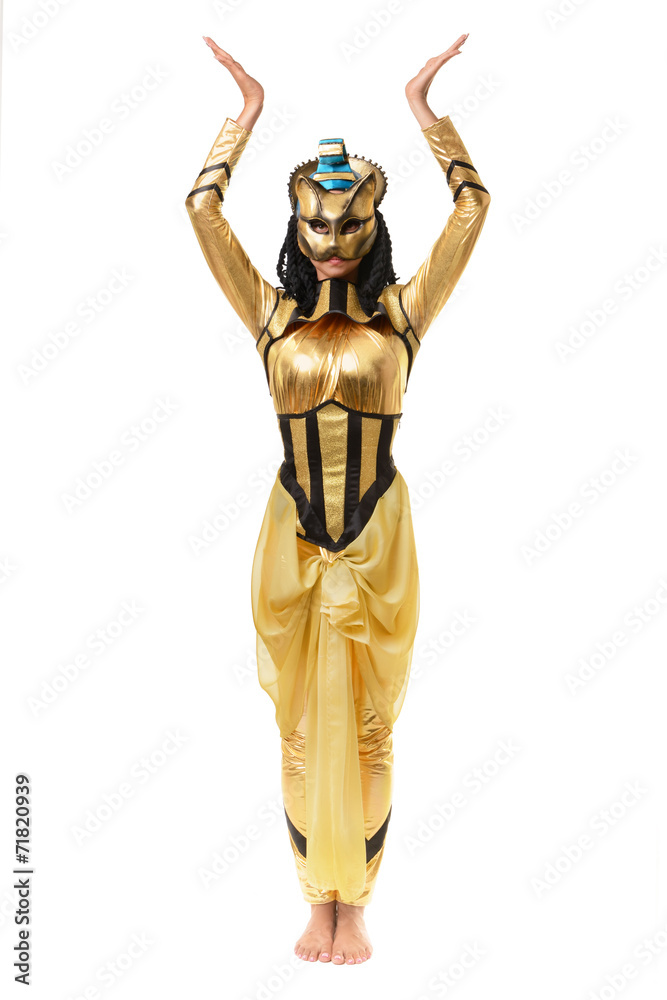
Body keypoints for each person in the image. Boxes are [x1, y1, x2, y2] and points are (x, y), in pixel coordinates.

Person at [185, 31, 490, 966]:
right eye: (315, 228)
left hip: (375, 535)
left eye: (347, 226)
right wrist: (243, 117)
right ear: (295, 226)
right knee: (295, 726)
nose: (329, 244)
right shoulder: (270, 316)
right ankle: (309, 899)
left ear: (370, 227)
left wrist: (422, 110)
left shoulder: (402, 315)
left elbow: (472, 208)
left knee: (367, 726)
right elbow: (201, 210)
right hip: (291, 534)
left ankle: (351, 905)